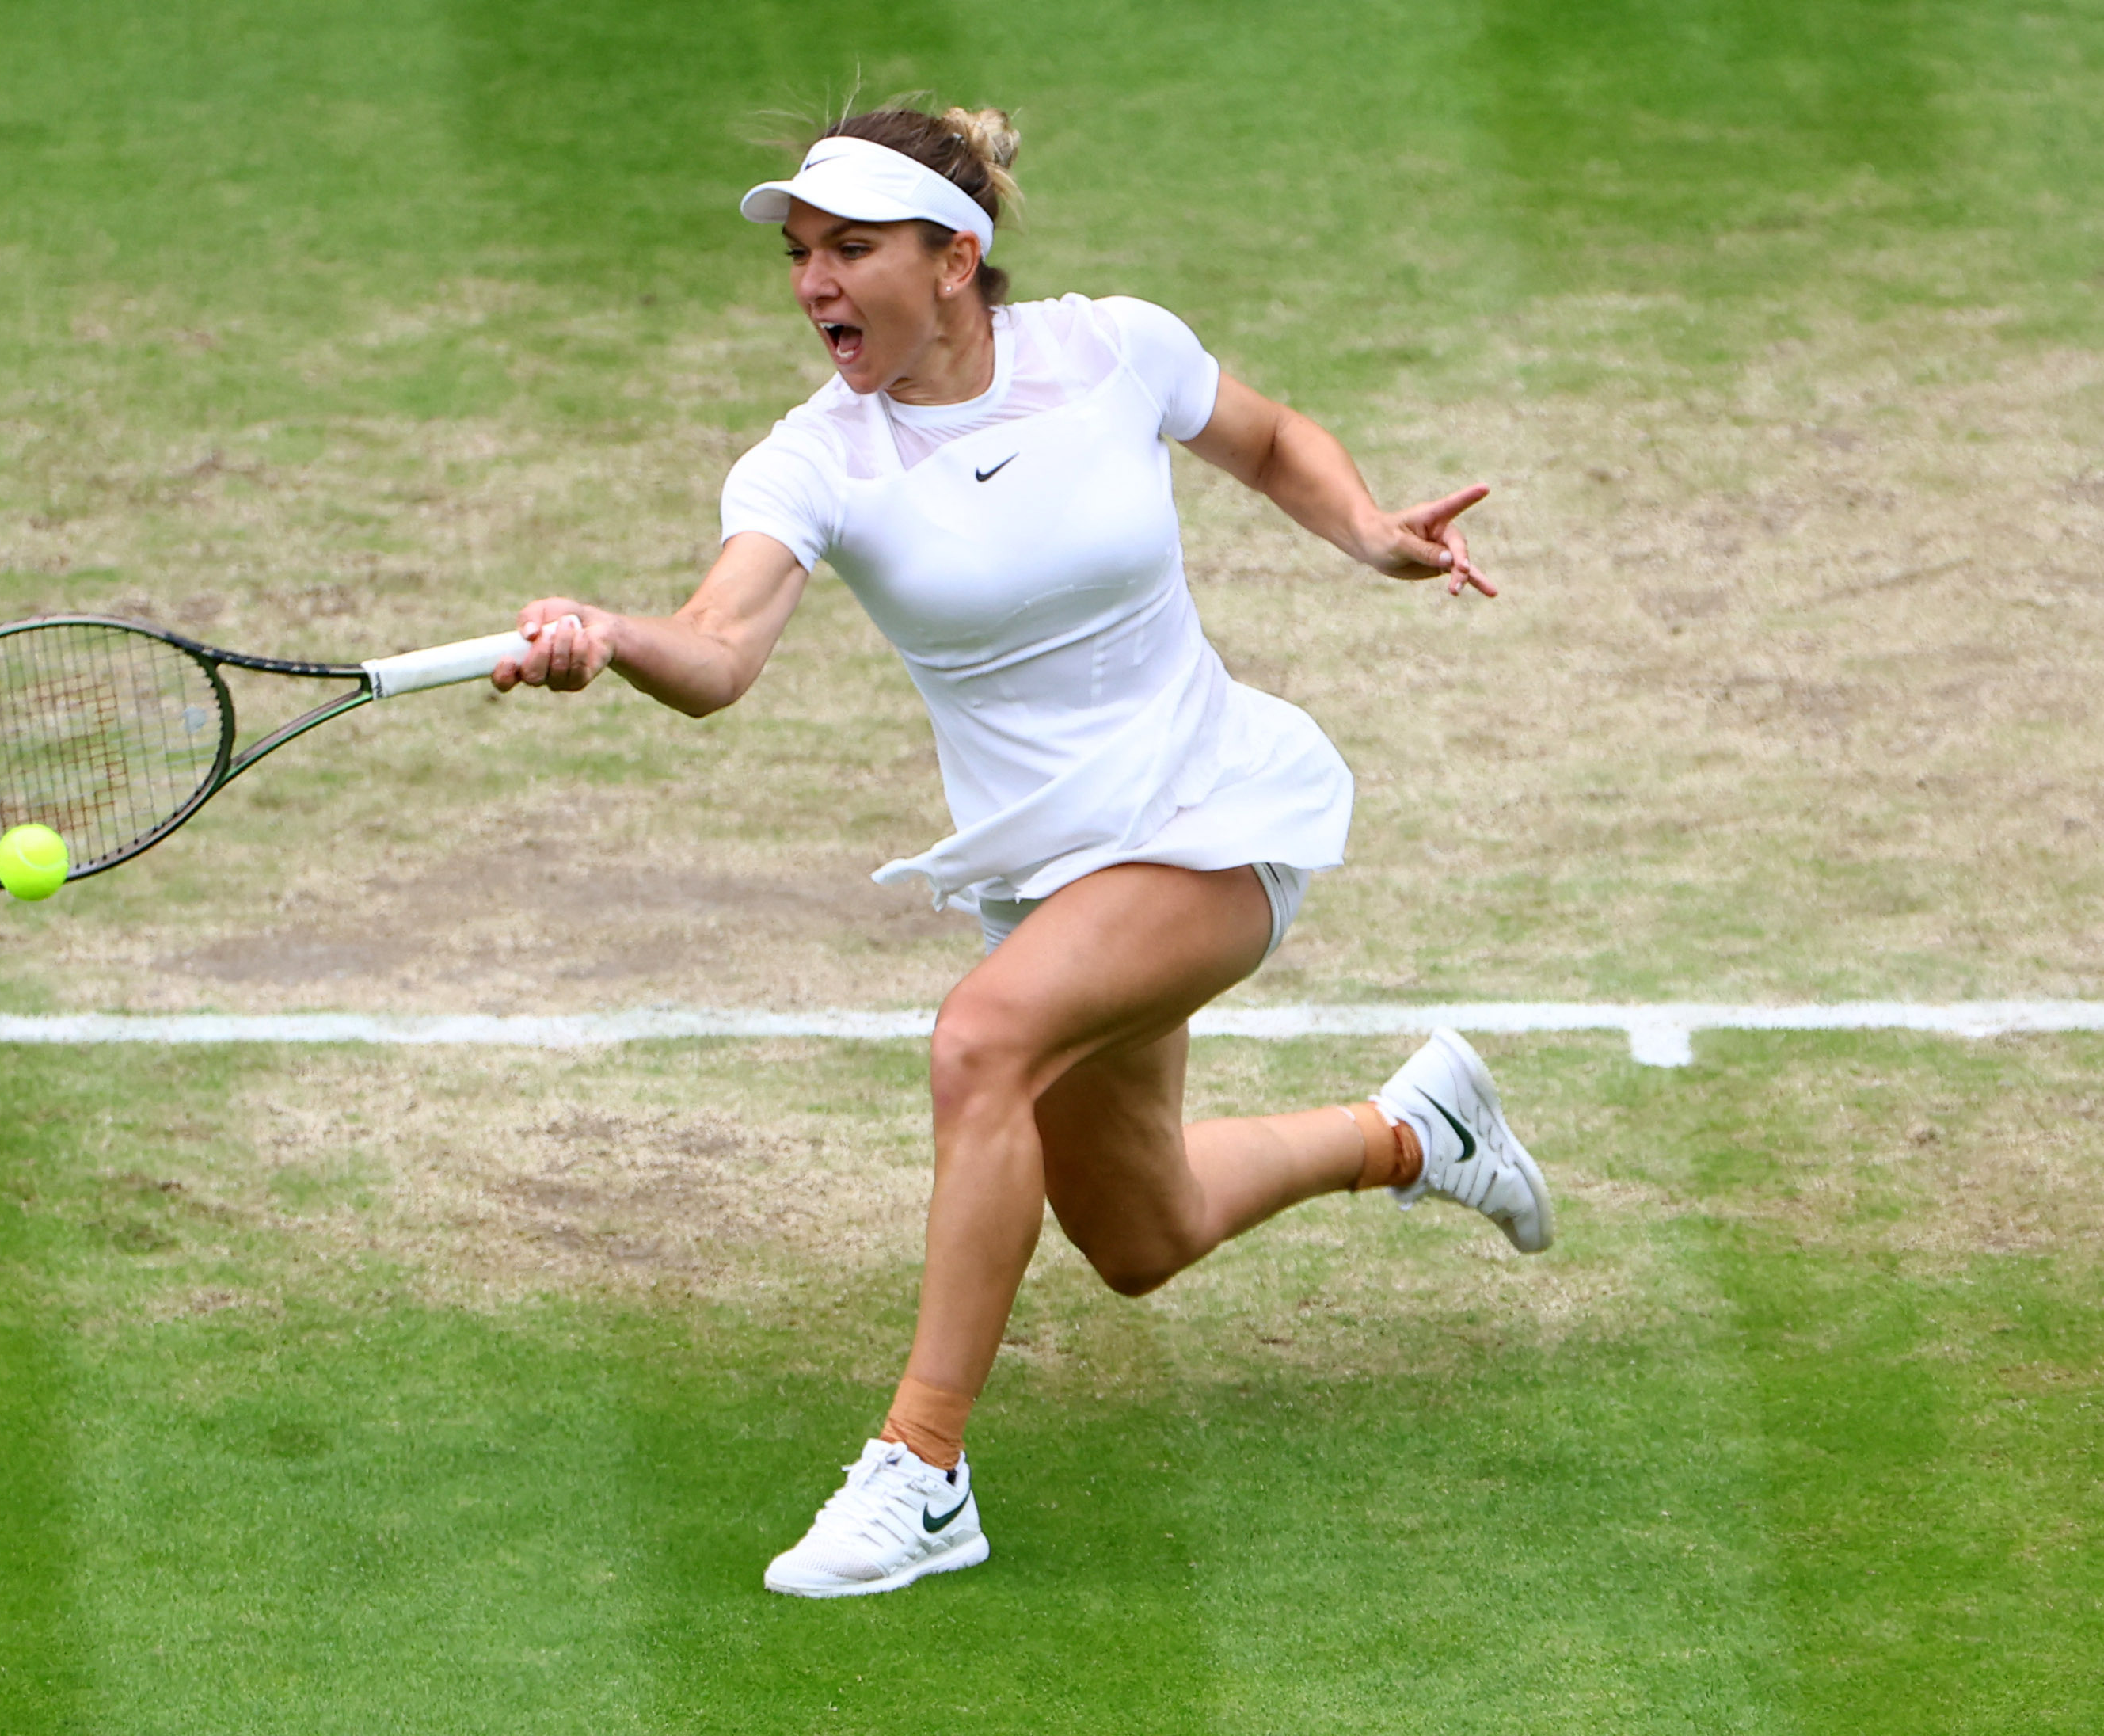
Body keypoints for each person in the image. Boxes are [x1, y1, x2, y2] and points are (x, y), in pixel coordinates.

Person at [492, 103, 1554, 1599]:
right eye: (801, 255)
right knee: (1142, 1231)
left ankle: (923, 1472)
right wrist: (609, 640)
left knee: (980, 1043)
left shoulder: (1108, 347)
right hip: (1052, 882)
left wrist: (1371, 530)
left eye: (850, 249)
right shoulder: (816, 463)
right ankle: (1417, 1134)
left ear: (956, 258)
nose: (814, 285)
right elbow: (719, 647)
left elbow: (1260, 436)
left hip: (1213, 818)